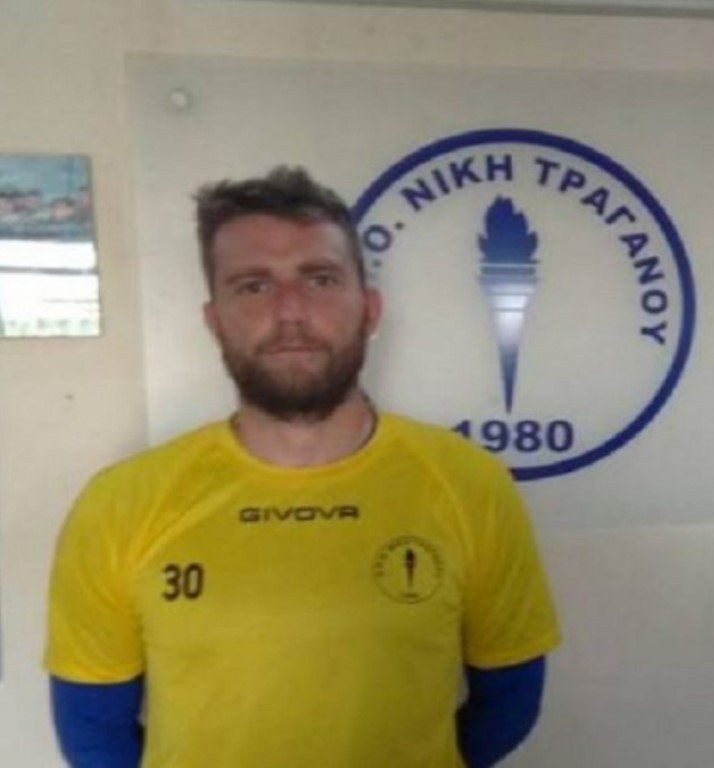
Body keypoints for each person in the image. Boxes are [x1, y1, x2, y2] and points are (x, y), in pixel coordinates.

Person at [45, 166, 561, 767]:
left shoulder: (470, 483)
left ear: (369, 309)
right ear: (215, 321)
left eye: (320, 279)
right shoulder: (121, 503)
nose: (290, 311)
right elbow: (92, 732)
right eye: (253, 286)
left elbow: (510, 701)